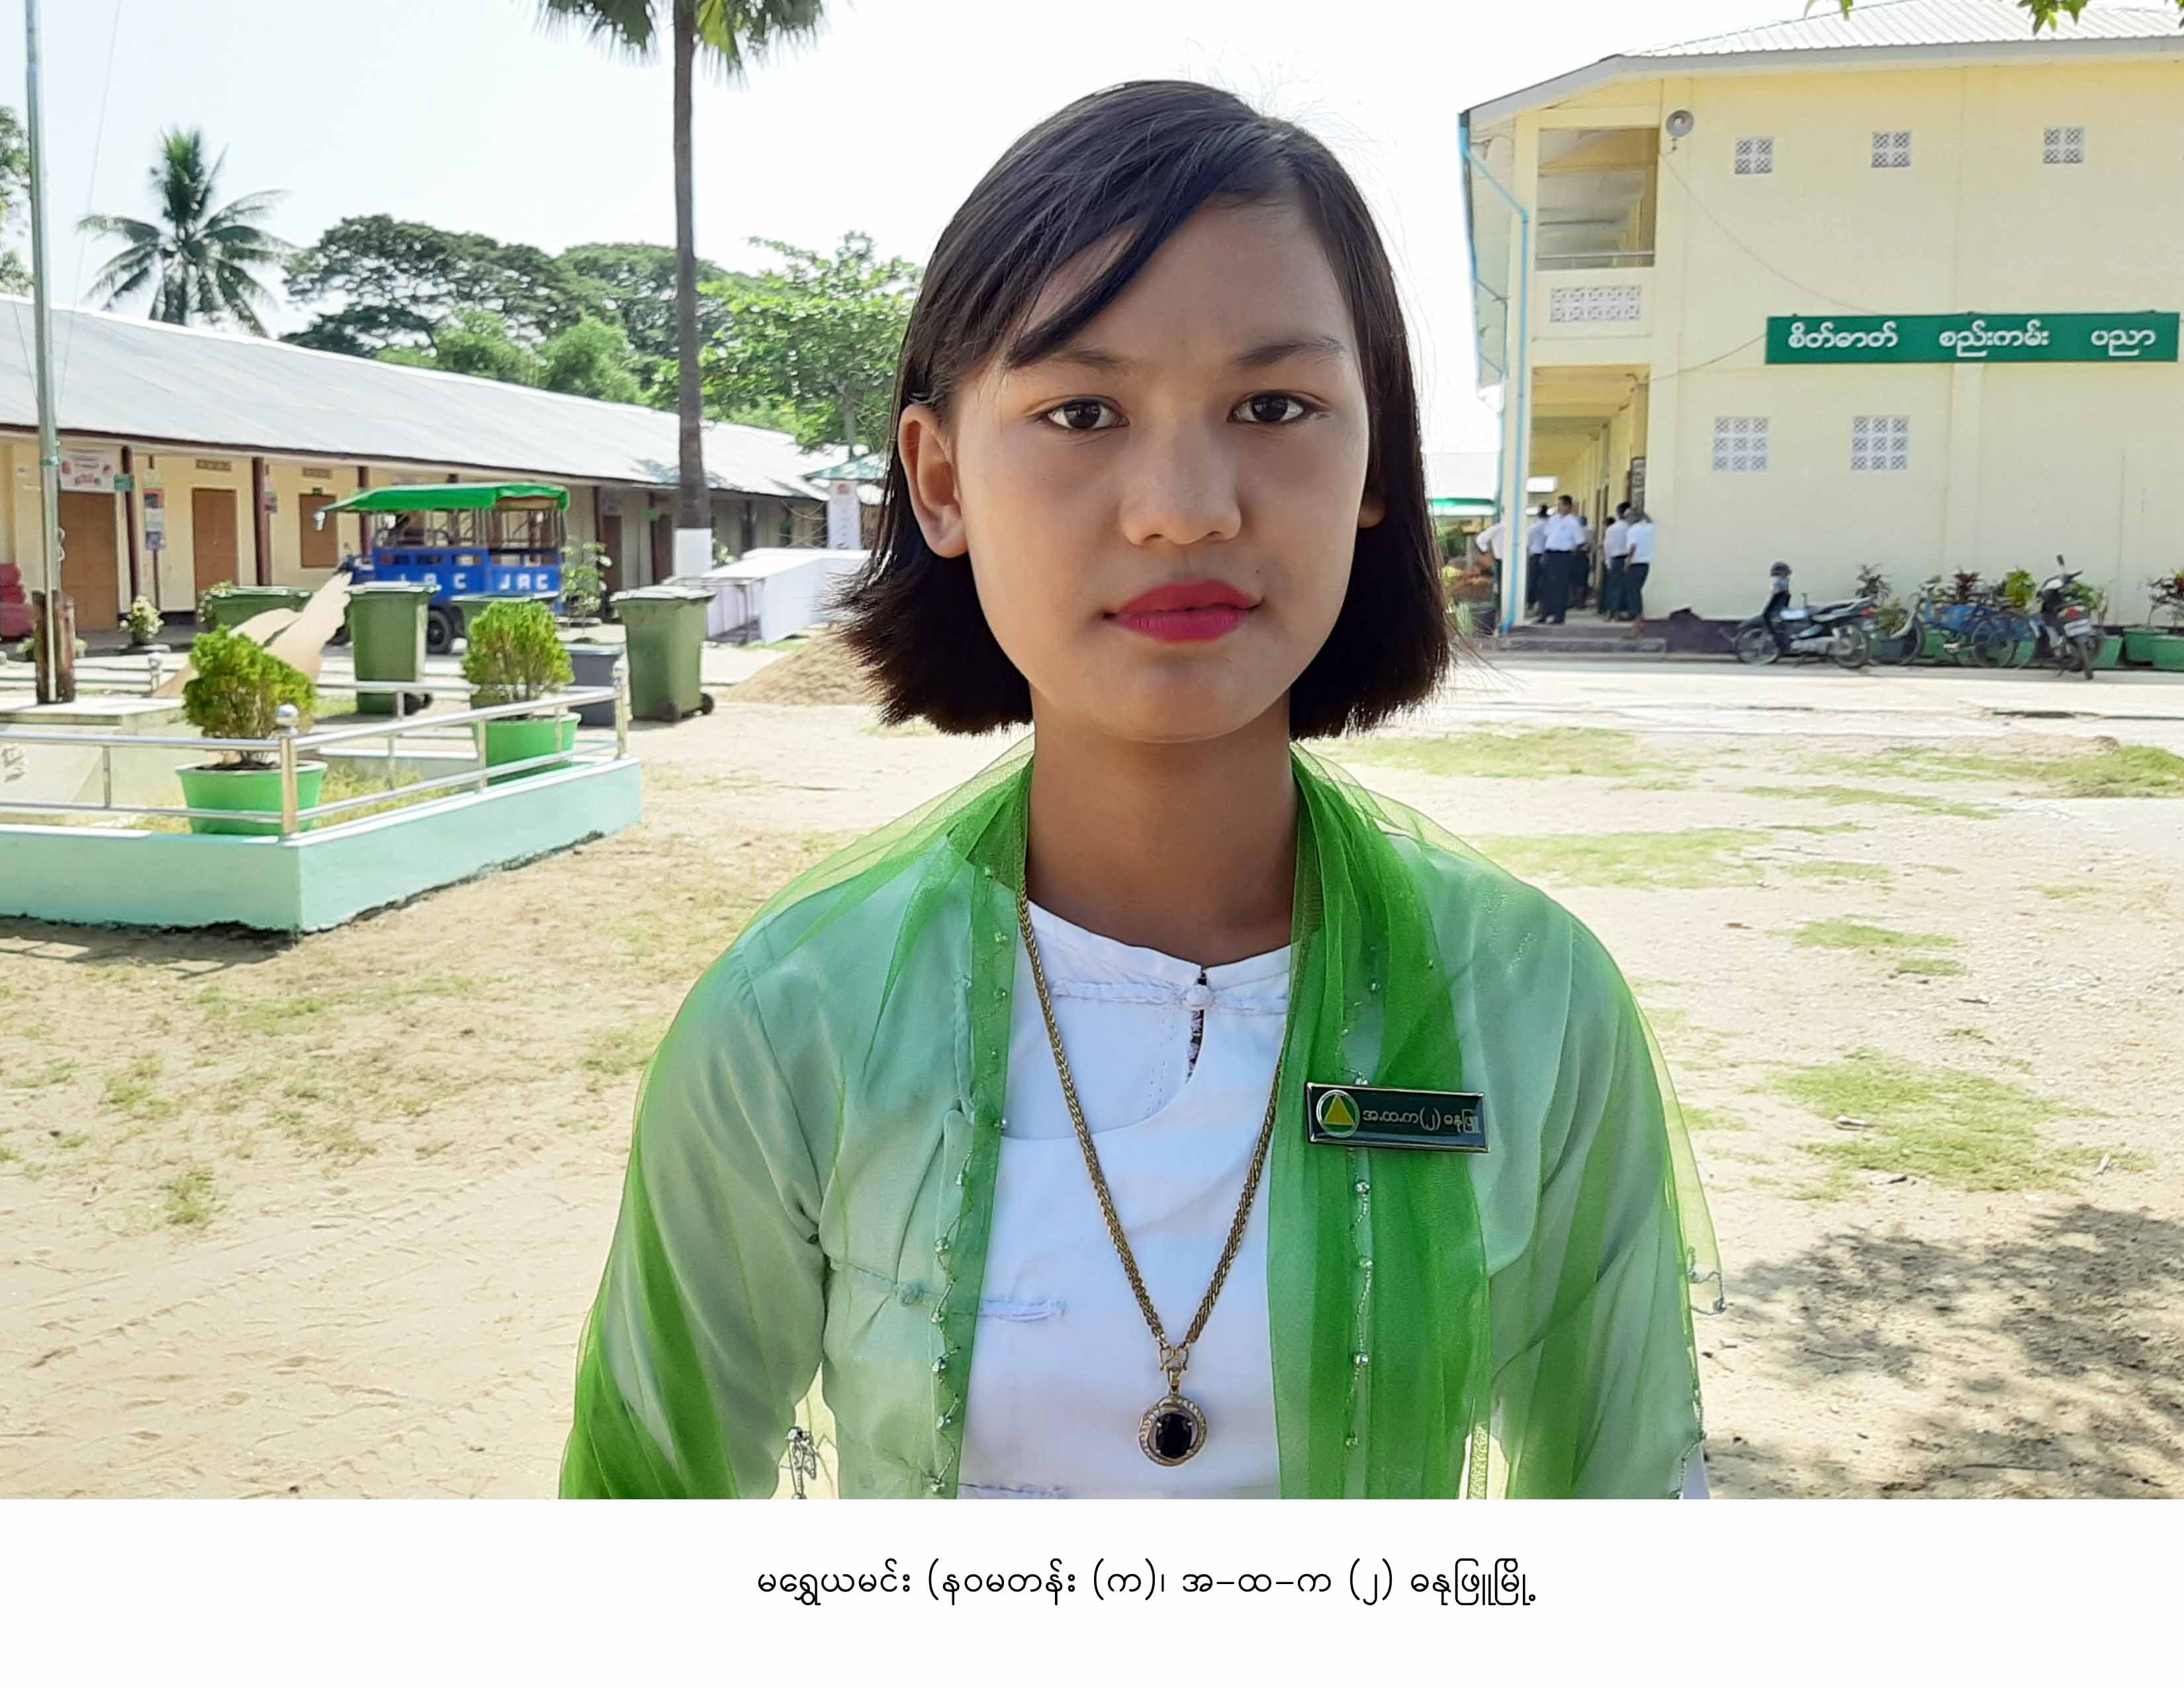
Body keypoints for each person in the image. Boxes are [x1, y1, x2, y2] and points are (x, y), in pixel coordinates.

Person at [559, 79, 1717, 1501]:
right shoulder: (798, 1018)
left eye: (1275, 406)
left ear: (1376, 463)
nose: (1185, 506)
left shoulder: (1529, 1004)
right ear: (941, 481)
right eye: (1083, 410)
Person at [1536, 495, 1584, 624]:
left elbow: (1580, 542)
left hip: (1564, 556)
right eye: (1558, 505)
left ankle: (1559, 615)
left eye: (1561, 505)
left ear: (1568, 506)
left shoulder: (1573, 522)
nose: (1558, 507)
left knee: (1560, 586)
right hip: (1550, 554)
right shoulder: (1553, 519)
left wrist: (1573, 557)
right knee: (1546, 586)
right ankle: (1544, 613)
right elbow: (1547, 536)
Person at [1624, 506, 1657, 625]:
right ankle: (1639, 617)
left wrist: (1628, 560)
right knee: (1638, 590)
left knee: (1633, 591)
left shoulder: (1633, 530)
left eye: (1627, 517)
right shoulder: (1650, 528)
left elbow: (1633, 546)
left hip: (1636, 563)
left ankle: (1637, 618)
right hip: (1647, 562)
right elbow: (1651, 522)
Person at [1602, 502, 1633, 620]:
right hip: (1628, 559)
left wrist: (1608, 562)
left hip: (1615, 559)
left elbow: (1607, 546)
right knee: (1626, 586)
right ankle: (1621, 612)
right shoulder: (1630, 528)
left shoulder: (1611, 529)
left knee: (1613, 586)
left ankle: (1611, 611)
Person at [1524, 504, 1550, 616]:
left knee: (1533, 580)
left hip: (1534, 556)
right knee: (1546, 581)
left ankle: (1531, 603)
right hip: (1548, 556)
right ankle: (1544, 605)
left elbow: (1527, 543)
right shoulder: (1550, 527)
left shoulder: (1532, 527)